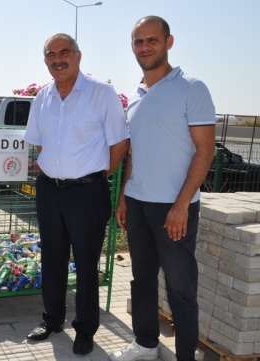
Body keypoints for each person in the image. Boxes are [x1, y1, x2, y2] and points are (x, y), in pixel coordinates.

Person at [111, 16, 215, 361]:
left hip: (174, 207)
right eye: (138, 41)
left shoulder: (191, 87)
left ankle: (185, 355)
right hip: (138, 204)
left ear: (168, 42)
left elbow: (206, 150)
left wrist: (182, 204)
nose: (144, 47)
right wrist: (125, 195)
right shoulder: (137, 97)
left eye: (152, 40)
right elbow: (134, 153)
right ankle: (146, 344)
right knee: (142, 280)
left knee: (181, 288)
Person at [24, 33, 130, 355]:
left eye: (64, 52)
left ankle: (84, 329)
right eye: (51, 54)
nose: (58, 58)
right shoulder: (42, 97)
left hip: (87, 192)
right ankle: (52, 319)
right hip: (49, 190)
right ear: (46, 61)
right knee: (52, 258)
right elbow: (39, 143)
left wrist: (97, 175)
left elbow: (120, 143)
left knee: (85, 263)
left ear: (78, 55)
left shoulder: (101, 93)